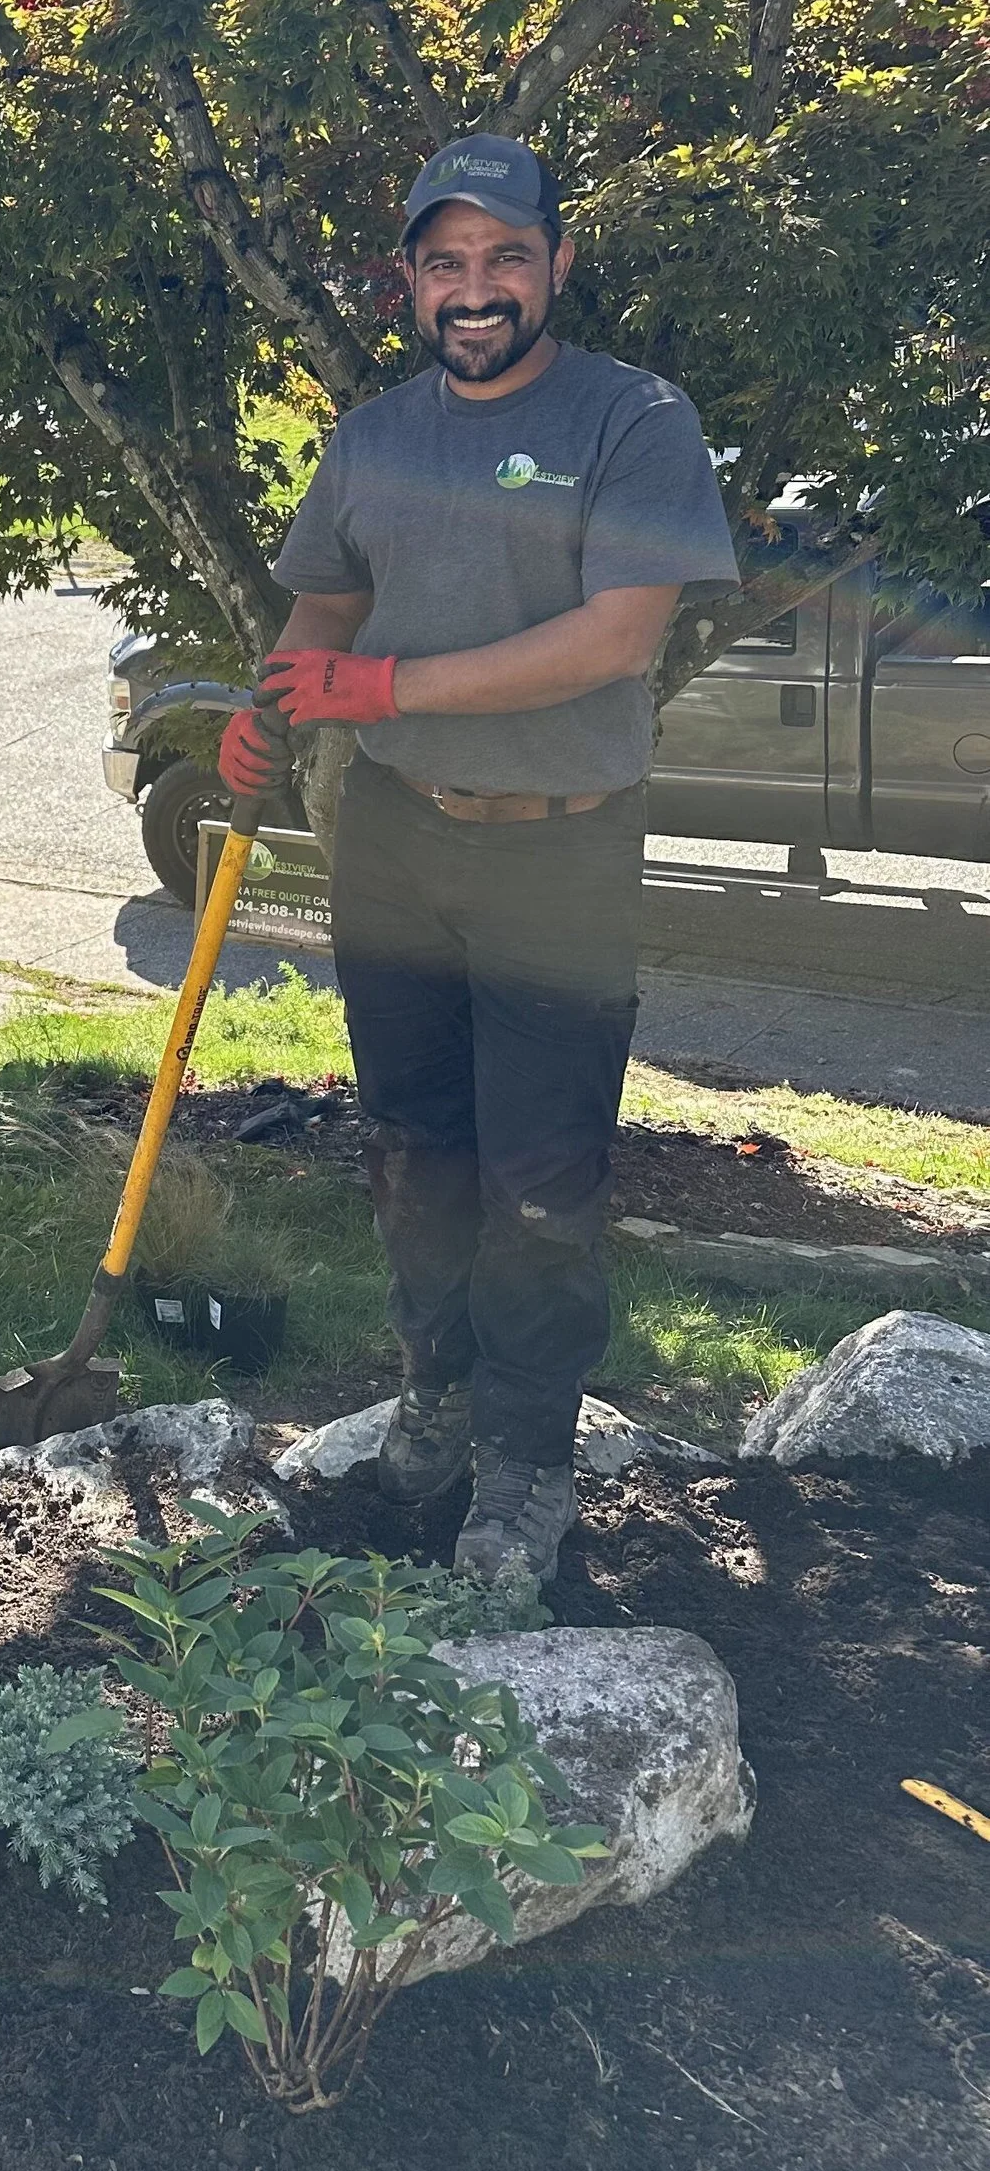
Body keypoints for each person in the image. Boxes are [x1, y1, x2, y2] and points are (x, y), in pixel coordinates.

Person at [221, 137, 738, 1587]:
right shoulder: (376, 435)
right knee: (414, 1150)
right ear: (408, 282)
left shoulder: (632, 418)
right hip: (392, 842)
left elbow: (617, 636)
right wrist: (277, 710)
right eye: (446, 263)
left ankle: (525, 1466)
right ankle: (436, 1396)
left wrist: (382, 692)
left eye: (506, 258)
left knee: (538, 1179)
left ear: (557, 265)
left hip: (558, 857)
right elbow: (321, 610)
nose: (476, 289)